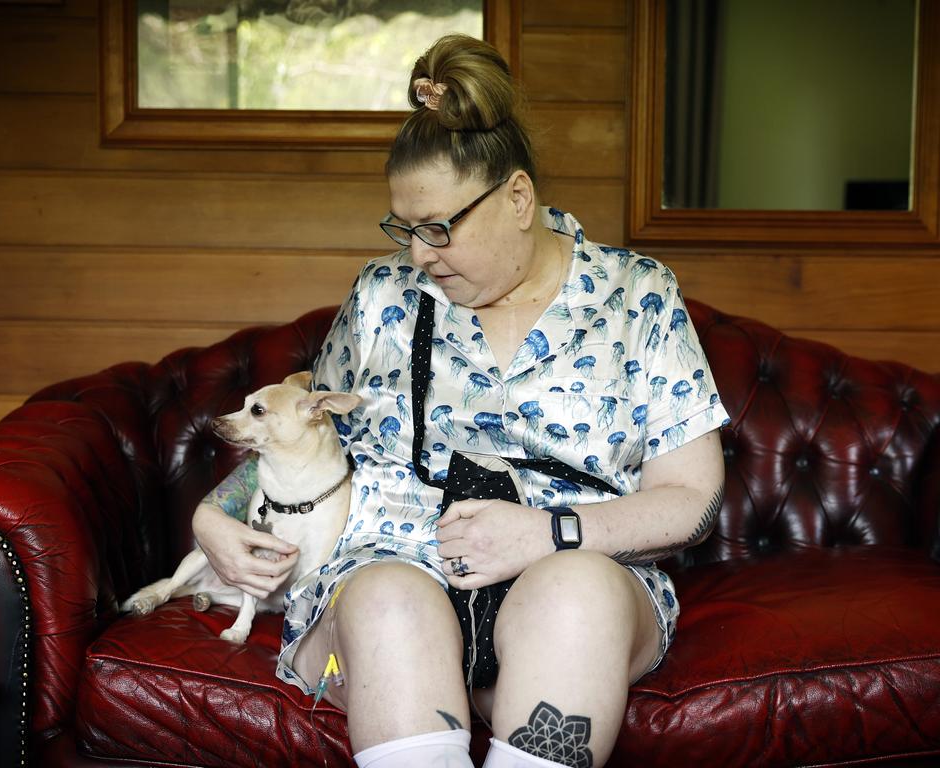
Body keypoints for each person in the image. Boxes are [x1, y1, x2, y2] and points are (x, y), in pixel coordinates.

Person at [192, 33, 729, 768]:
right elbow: (300, 433)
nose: (417, 255)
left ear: (516, 198)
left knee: (575, 596)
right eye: (405, 229)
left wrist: (546, 535)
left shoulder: (638, 296)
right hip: (390, 572)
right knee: (386, 603)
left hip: (580, 576)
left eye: (439, 228)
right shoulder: (384, 297)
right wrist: (212, 515)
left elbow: (692, 499)